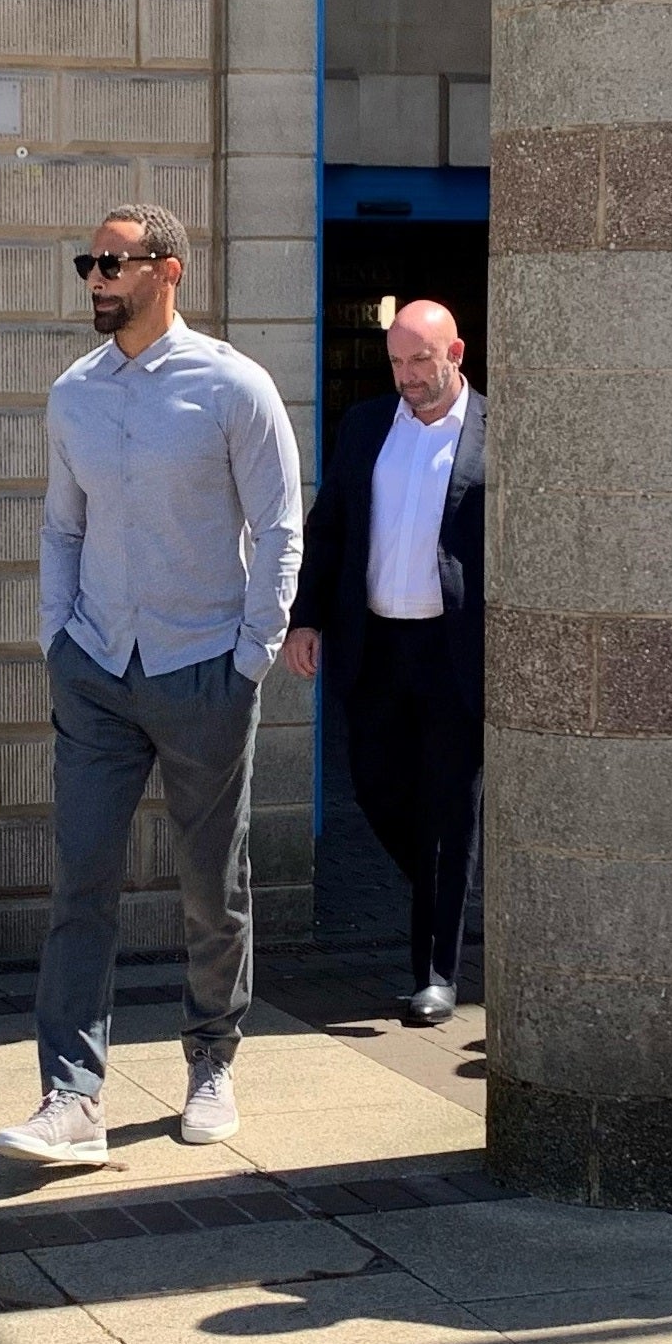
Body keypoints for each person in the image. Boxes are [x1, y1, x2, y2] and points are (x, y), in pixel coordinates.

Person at [0, 204, 303, 1166]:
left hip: (202, 666)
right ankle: (70, 1095)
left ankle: (211, 1057)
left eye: (113, 263)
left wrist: (251, 653)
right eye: (88, 261)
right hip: (95, 670)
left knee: (212, 887)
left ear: (168, 269)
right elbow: (61, 527)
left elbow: (282, 526)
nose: (94, 278)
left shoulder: (232, 386)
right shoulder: (74, 393)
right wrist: (56, 637)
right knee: (80, 883)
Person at [282, 300, 484, 1027]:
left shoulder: (499, 434)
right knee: (373, 787)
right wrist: (305, 617)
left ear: (454, 351)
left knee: (449, 808)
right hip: (375, 645)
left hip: (452, 651)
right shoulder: (366, 426)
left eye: (421, 361)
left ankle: (435, 970)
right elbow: (328, 526)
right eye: (397, 363)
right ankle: (442, 888)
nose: (408, 378)